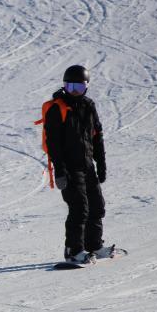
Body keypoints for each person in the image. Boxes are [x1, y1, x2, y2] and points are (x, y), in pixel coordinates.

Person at [44, 65, 112, 264]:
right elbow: (53, 143)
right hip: (69, 168)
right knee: (79, 208)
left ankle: (94, 246)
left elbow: (97, 137)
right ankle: (74, 251)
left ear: (86, 87)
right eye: (70, 86)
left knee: (97, 206)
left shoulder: (89, 106)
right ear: (64, 86)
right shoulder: (57, 109)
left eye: (79, 87)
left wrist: (101, 164)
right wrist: (60, 171)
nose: (74, 91)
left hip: (87, 165)